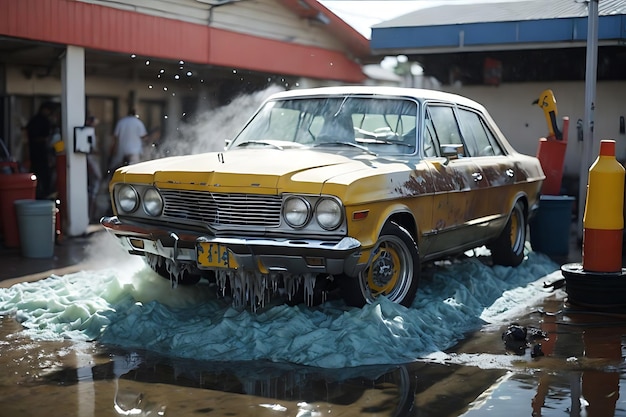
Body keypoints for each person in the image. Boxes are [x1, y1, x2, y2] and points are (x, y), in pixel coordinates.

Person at [25, 102, 55, 199]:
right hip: (41, 153)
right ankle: (44, 194)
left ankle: (37, 194)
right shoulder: (41, 121)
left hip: (36, 153)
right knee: (44, 175)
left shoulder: (36, 120)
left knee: (38, 174)